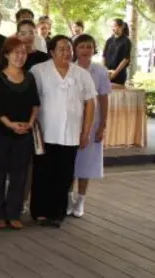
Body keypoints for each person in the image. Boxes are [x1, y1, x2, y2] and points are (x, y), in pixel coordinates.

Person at [30, 36, 96, 228]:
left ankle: (57, 212)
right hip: (45, 133)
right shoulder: (39, 71)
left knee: (64, 175)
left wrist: (86, 132)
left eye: (68, 49)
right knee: (43, 173)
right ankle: (40, 212)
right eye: (62, 49)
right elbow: (31, 100)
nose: (67, 52)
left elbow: (91, 102)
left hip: (71, 134)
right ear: (52, 52)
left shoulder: (81, 73)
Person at [0, 37, 40, 230]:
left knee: (20, 176)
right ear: (7, 54)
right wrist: (10, 124)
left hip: (24, 132)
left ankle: (13, 213)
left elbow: (35, 104)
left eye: (23, 52)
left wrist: (30, 123)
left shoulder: (30, 77)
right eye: (15, 52)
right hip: (2, 132)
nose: (20, 56)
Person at [69, 34, 111, 218]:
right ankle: (68, 198)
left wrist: (102, 125)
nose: (85, 50)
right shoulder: (69, 68)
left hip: (92, 124)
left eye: (89, 46)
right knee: (69, 162)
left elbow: (103, 99)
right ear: (75, 49)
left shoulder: (100, 71)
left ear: (94, 49)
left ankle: (81, 199)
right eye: (81, 46)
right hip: (71, 123)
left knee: (86, 163)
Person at [103, 18, 132, 85]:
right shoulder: (109, 40)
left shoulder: (126, 41)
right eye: (112, 26)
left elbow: (126, 59)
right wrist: (105, 71)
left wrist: (115, 73)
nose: (113, 28)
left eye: (115, 26)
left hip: (119, 74)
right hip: (107, 73)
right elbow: (104, 56)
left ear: (121, 27)